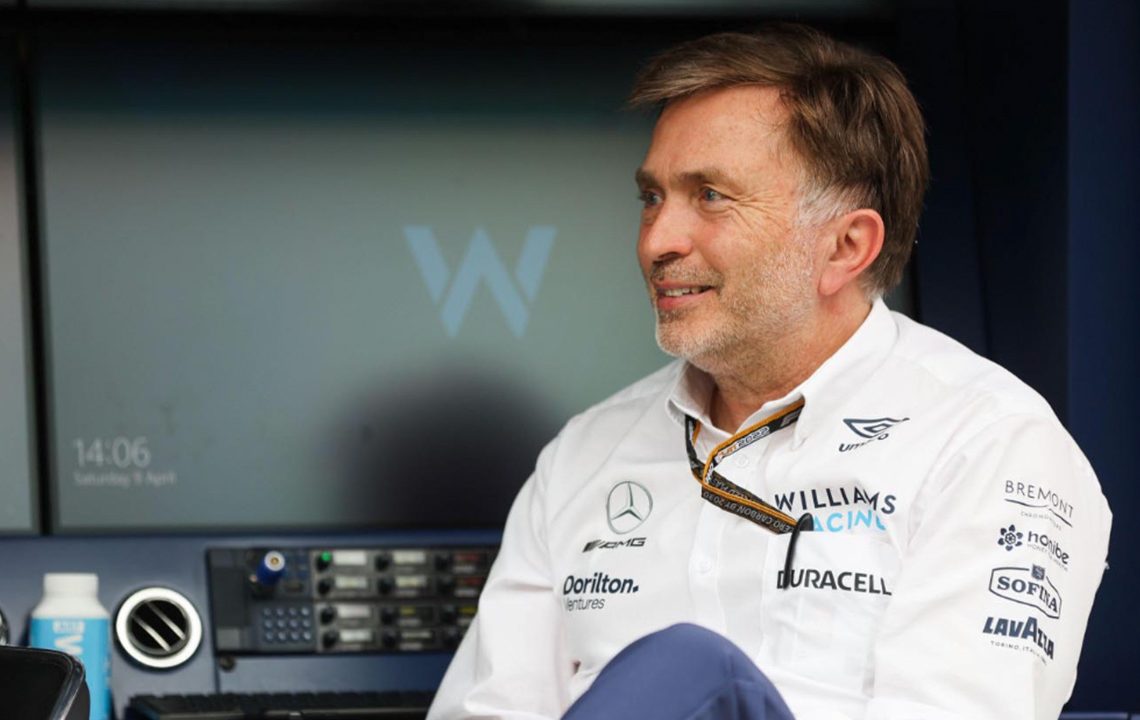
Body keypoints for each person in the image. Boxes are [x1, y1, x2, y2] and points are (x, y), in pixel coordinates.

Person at [427, 24, 1111, 720]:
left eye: (711, 196)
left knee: (687, 671)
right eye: (652, 198)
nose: (658, 240)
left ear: (845, 246)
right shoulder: (584, 454)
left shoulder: (988, 443)